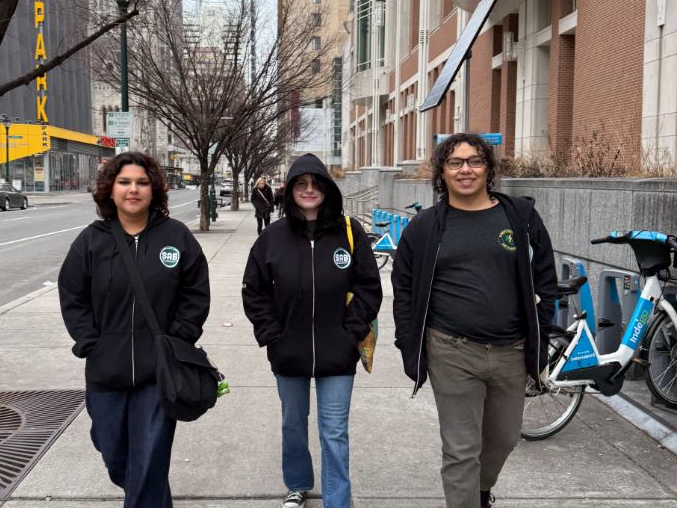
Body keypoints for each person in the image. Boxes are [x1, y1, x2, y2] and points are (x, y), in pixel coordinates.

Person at [391, 133, 557, 508]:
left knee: (504, 438)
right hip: (451, 350)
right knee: (461, 449)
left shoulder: (521, 217)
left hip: (511, 352)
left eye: (474, 161)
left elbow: (545, 279)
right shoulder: (425, 226)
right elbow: (403, 286)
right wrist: (408, 341)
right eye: (455, 162)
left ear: (488, 168)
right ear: (442, 172)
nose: (465, 169)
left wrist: (540, 336)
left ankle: (480, 492)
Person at [59, 152, 210, 508]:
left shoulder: (176, 236)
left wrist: (178, 339)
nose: (133, 190)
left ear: (154, 189)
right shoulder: (91, 241)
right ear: (110, 190)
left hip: (158, 372)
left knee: (149, 457)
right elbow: (72, 296)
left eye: (142, 182)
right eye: (124, 182)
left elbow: (195, 292)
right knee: (115, 455)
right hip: (105, 370)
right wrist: (89, 343)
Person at [242, 153, 382, 508]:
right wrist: (272, 333)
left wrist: (351, 331)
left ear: (327, 190)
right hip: (288, 350)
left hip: (338, 352)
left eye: (315, 183)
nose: (309, 190)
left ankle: (338, 500)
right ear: (289, 191)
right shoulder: (272, 238)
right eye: (301, 184)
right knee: (293, 423)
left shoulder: (350, 233)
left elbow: (369, 287)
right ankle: (298, 483)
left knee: (334, 431)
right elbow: (253, 290)